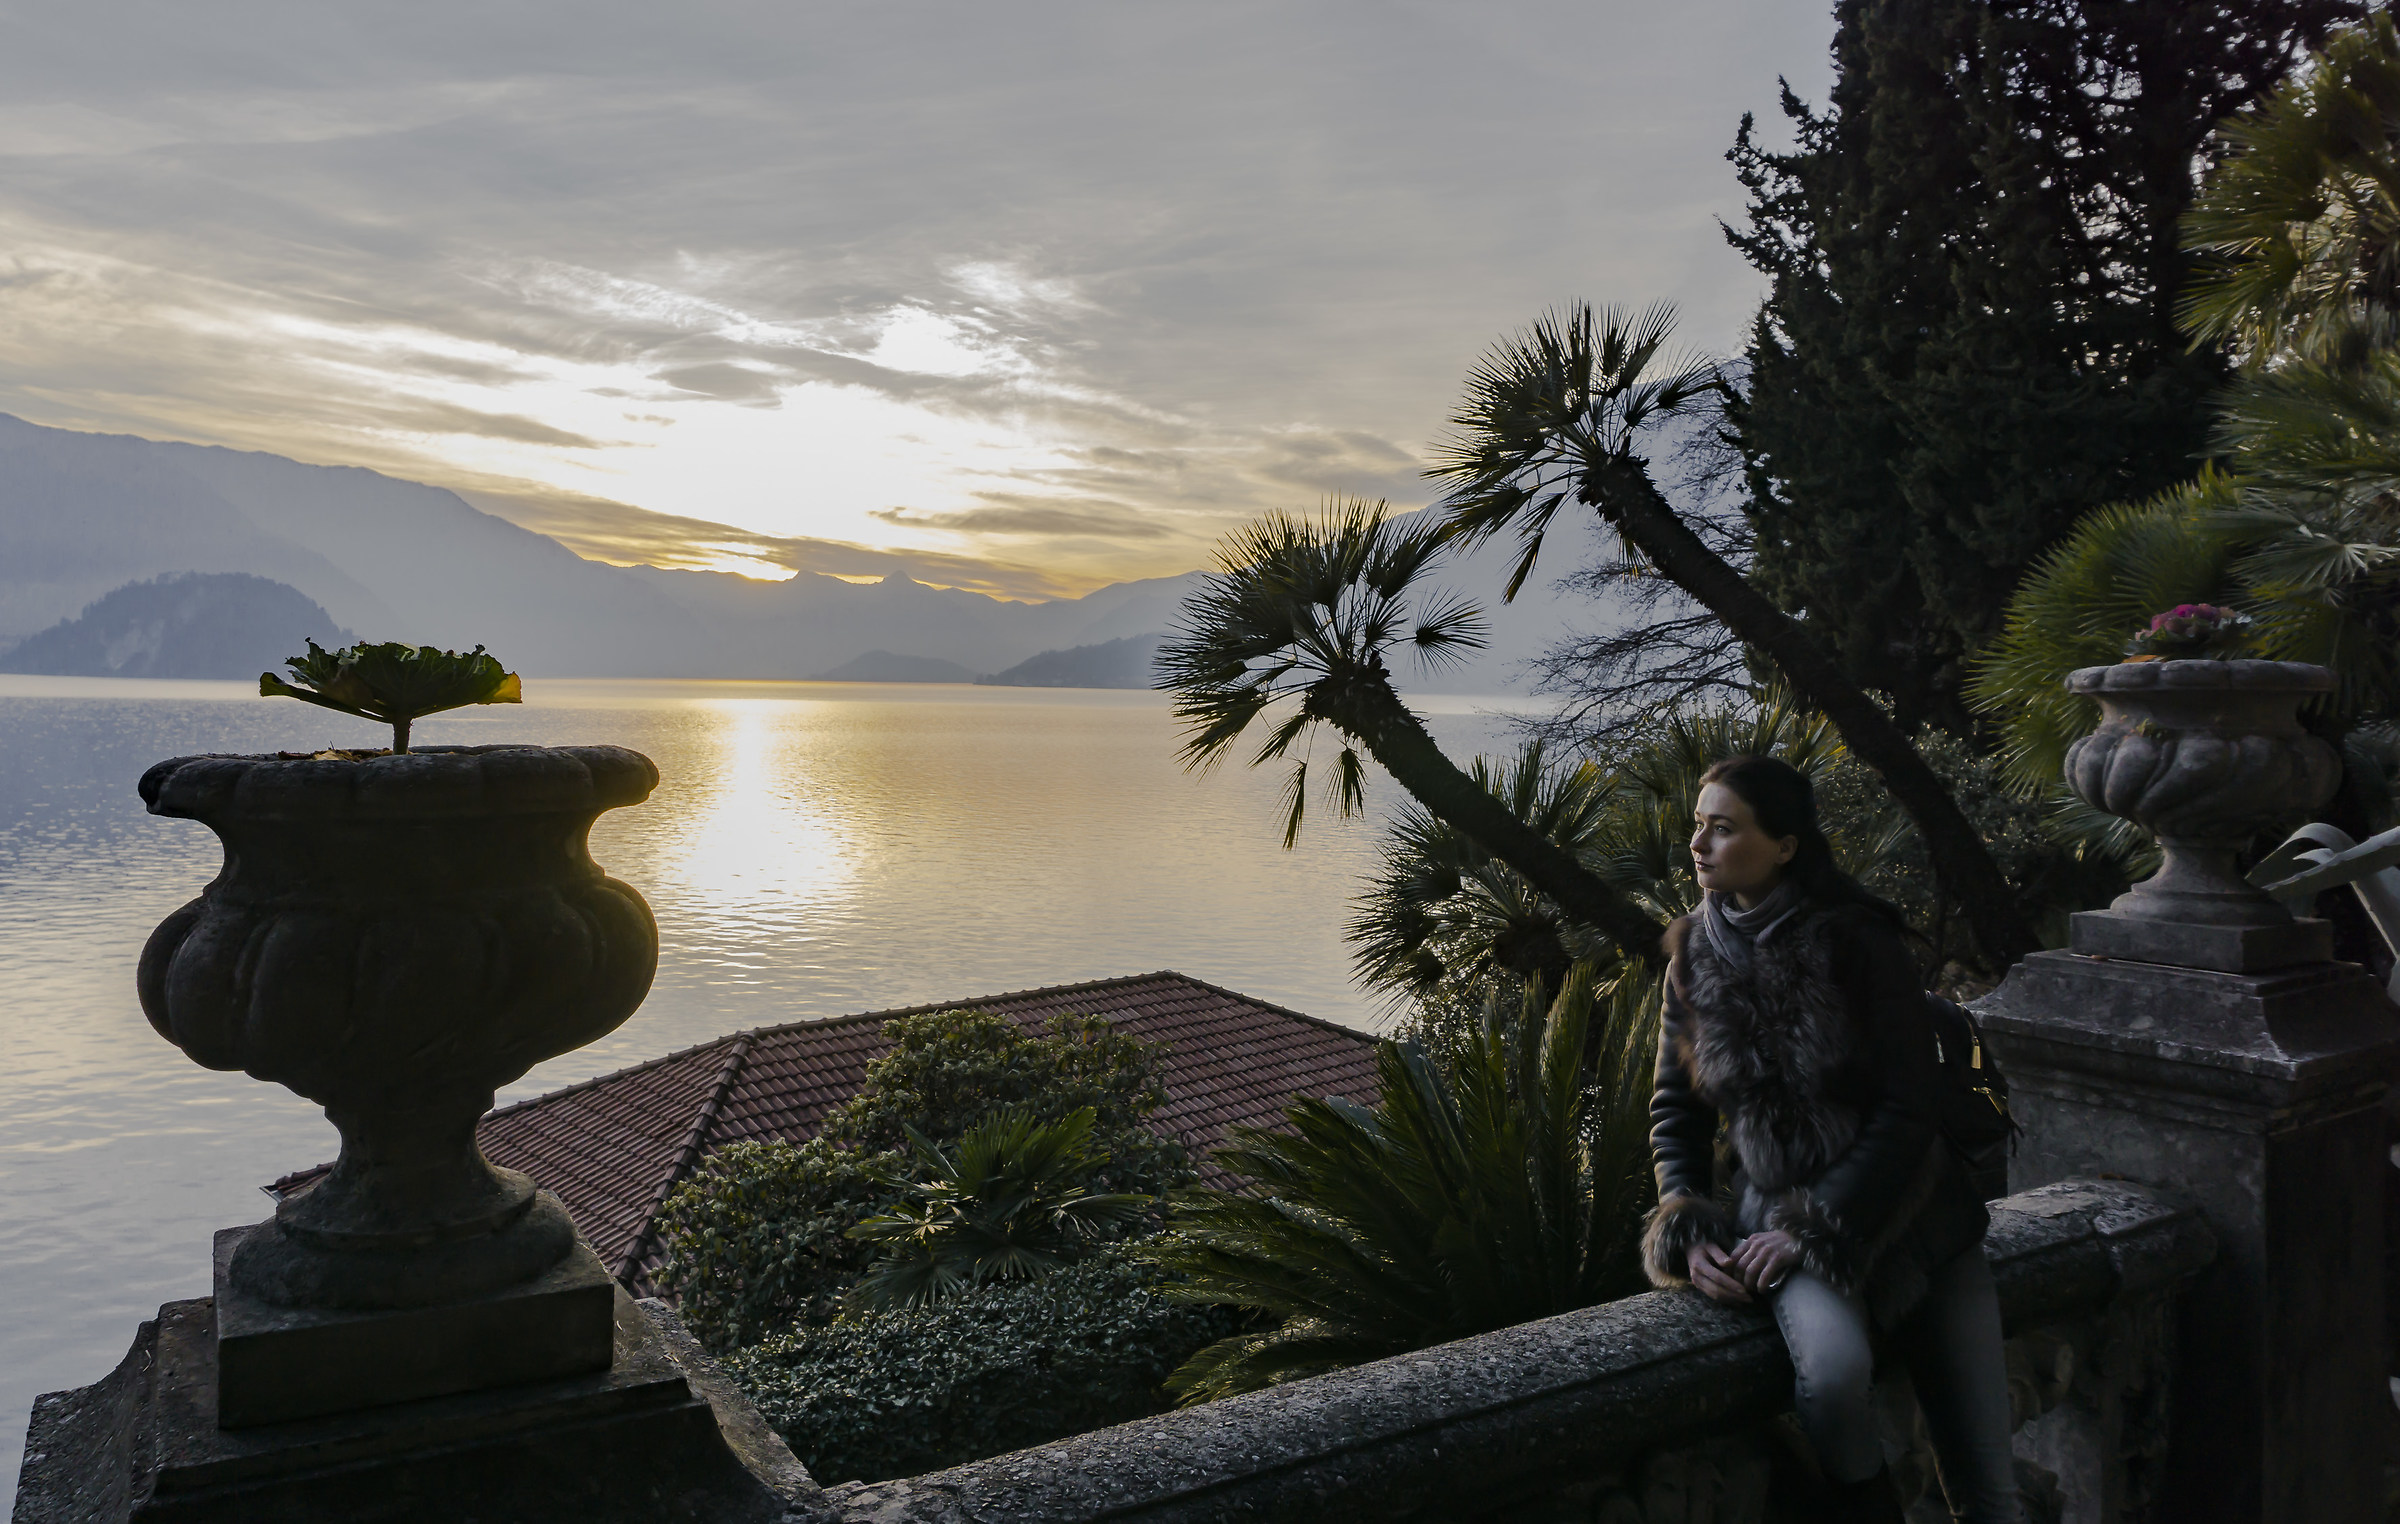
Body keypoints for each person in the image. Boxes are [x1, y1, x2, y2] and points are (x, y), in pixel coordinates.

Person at [1641, 756, 2019, 1524]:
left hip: (1921, 1220)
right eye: (1697, 826)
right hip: (1778, 1214)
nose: (1699, 844)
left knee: (1989, 1489)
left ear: (1783, 845)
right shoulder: (1692, 957)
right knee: (1835, 1374)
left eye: (1723, 827)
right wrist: (1687, 1222)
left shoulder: (1857, 940)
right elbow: (1675, 1111)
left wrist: (1822, 1220)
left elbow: (1910, 1108)